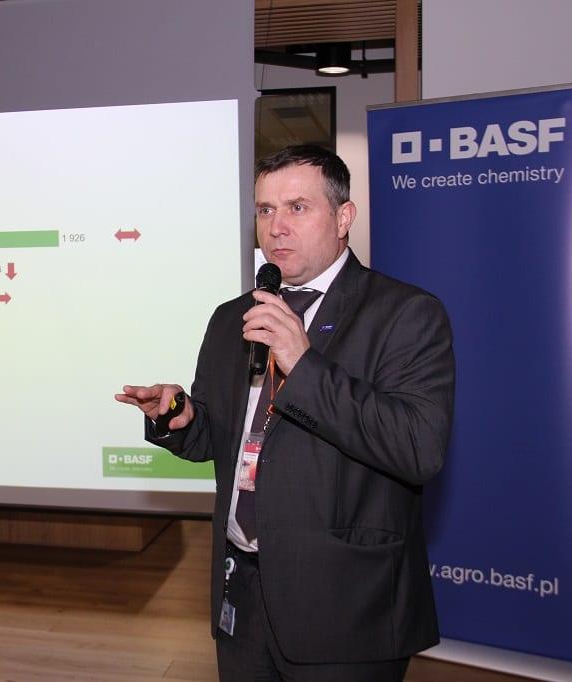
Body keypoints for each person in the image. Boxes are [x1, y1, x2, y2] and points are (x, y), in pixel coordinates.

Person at [116, 145, 455, 681]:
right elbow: (222, 439)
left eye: (297, 207)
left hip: (346, 605)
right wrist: (179, 416)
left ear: (343, 218)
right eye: (265, 210)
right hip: (242, 592)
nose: (276, 227)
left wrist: (303, 363)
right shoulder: (234, 317)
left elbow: (417, 448)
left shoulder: (406, 314)